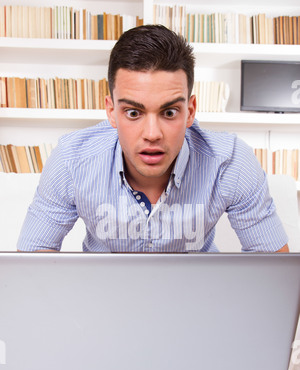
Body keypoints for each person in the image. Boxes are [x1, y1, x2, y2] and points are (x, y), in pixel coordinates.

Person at [17, 25, 289, 253]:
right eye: (133, 112)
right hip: (99, 307)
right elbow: (32, 271)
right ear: (111, 112)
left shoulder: (230, 162)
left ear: (190, 111)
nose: (152, 134)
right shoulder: (71, 160)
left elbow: (274, 276)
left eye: (169, 112)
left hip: (198, 305)